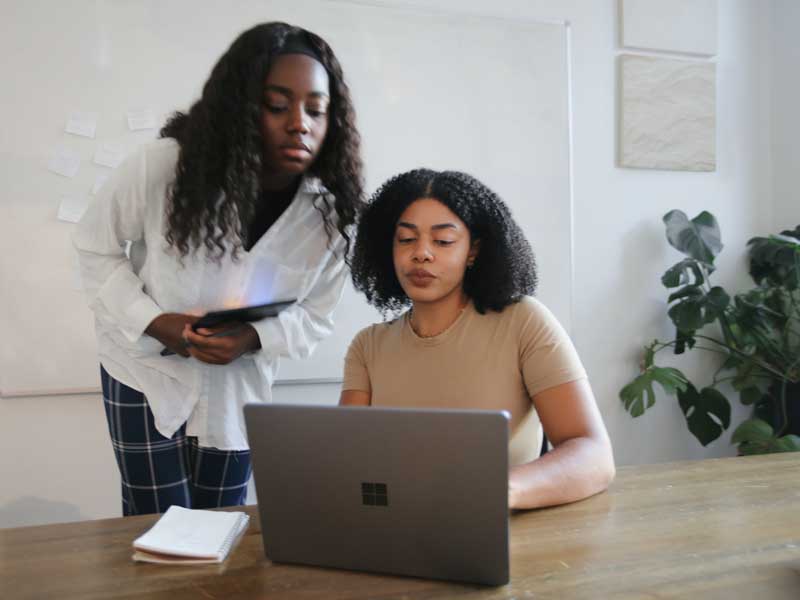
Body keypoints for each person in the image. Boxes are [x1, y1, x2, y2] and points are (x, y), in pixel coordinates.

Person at [74, 22, 363, 515]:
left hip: (237, 387)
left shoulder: (331, 215)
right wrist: (156, 322)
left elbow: (316, 315)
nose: (300, 123)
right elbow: (93, 248)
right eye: (277, 106)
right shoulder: (163, 167)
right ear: (240, 107)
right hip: (143, 372)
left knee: (220, 526)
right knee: (156, 527)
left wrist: (251, 338)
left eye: (316, 110)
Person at [340, 169, 614, 510]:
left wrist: (502, 491)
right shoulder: (368, 346)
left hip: (504, 535)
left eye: (442, 241)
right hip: (398, 527)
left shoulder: (523, 321)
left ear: (473, 251)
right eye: (406, 239)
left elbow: (593, 454)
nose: (421, 253)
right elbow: (348, 465)